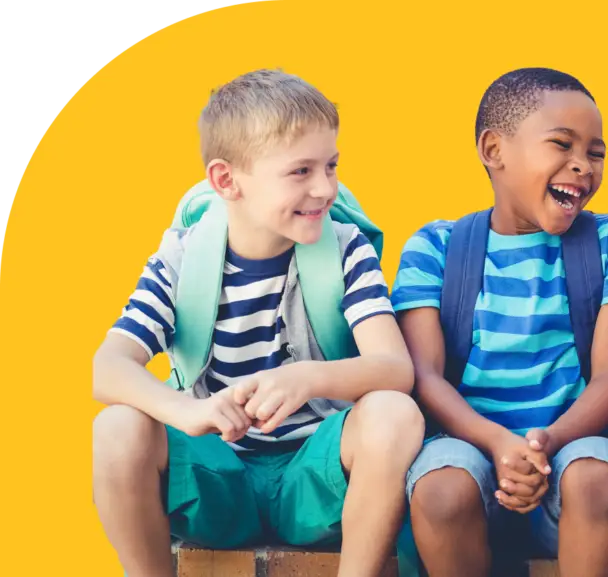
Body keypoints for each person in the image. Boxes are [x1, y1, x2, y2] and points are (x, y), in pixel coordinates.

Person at [91, 69, 424, 577]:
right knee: (117, 425)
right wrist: (184, 411)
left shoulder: (345, 248)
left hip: (316, 482)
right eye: (301, 171)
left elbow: (395, 367)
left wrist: (308, 377)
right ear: (227, 181)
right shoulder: (183, 259)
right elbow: (108, 368)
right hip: (217, 476)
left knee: (394, 413)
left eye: (331, 166)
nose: (326, 188)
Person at [390, 67, 608, 577]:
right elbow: (425, 376)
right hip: (471, 458)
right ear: (493, 150)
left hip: (571, 455)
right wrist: (498, 445)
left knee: (595, 473)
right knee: (440, 488)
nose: (582, 166)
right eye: (562, 145)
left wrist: (543, 443)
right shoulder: (435, 248)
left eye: (595, 153)